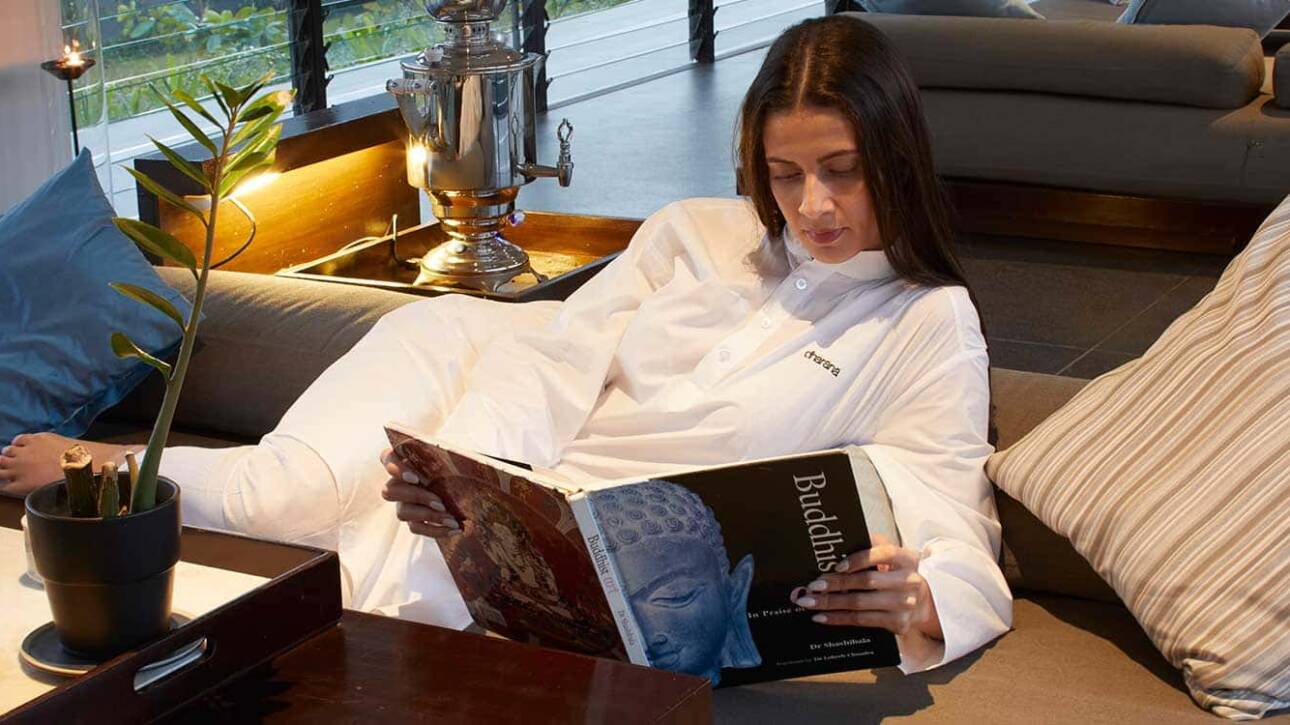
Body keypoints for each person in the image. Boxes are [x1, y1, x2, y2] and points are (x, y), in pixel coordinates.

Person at [3, 15, 1011, 673]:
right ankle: (100, 465)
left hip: (576, 518)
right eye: (785, 174)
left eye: (841, 168)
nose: (813, 204)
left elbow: (955, 516)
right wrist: (476, 477)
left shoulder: (923, 323)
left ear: (895, 155)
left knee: (349, 553)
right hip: (475, 365)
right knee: (285, 491)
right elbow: (558, 350)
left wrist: (922, 598)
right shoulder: (695, 232)